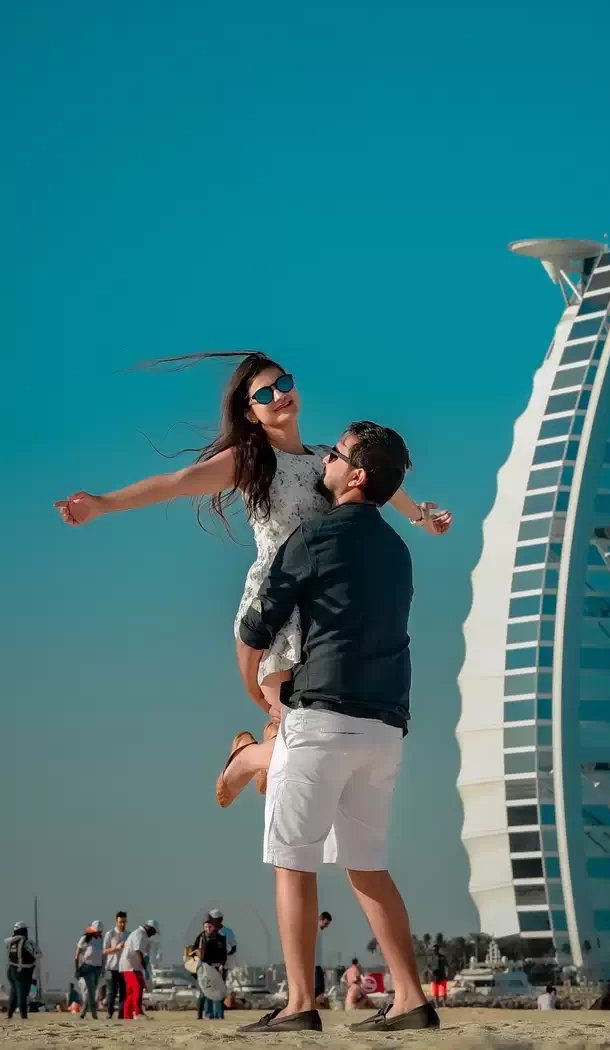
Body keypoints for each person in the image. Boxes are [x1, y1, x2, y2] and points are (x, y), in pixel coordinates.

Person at [54, 356, 453, 810]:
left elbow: (377, 479)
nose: (279, 395)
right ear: (250, 412)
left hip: (322, 603)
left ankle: (257, 751)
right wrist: (102, 504)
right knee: (298, 728)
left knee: (305, 722)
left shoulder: (327, 457)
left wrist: (421, 517)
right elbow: (179, 482)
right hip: (277, 599)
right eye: (264, 393)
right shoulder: (250, 460)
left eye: (283, 383)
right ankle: (248, 759)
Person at [233, 422, 441, 1034]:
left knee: (293, 859)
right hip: (386, 726)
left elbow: (259, 622)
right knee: (367, 863)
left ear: (354, 476)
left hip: (322, 718)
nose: (325, 455)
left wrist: (254, 690)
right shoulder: (399, 550)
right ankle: (410, 998)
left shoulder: (316, 534)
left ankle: (299, 1004)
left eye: (338, 452)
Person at [192, 914, 230, 1019]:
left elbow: (224, 954)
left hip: (217, 968)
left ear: (214, 927)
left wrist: (222, 964)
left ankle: (219, 1015)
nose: (208, 929)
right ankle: (204, 1015)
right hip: (204, 968)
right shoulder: (200, 937)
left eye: (210, 927)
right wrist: (197, 960)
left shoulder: (221, 938)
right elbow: (193, 952)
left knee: (218, 992)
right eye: (206, 927)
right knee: (204, 993)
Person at [120, 918, 158, 1019]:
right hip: (129, 966)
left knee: (131, 991)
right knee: (137, 987)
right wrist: (144, 968)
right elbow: (138, 951)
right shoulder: (139, 934)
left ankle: (127, 1015)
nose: (153, 934)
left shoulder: (143, 935)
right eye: (154, 932)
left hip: (134, 966)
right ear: (150, 928)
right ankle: (138, 1012)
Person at [5, 922, 38, 1020]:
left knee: (13, 992)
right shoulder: (27, 942)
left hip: (11, 971)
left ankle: (9, 1014)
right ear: (24, 931)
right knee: (22, 994)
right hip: (22, 972)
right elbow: (38, 954)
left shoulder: (10, 942)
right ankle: (24, 1015)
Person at [75, 921, 105, 1019]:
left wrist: (103, 968)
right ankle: (94, 1014)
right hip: (87, 968)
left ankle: (83, 1012)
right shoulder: (85, 939)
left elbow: (102, 955)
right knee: (91, 992)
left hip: (98, 969)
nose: (99, 933)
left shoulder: (101, 940)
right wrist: (77, 969)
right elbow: (77, 956)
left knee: (91, 992)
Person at [102, 912, 130, 1018]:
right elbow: (104, 951)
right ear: (116, 921)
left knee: (123, 993)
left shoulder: (129, 935)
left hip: (124, 968)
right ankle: (110, 1012)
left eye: (124, 922)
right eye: (120, 922)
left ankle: (121, 1014)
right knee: (112, 992)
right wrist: (116, 948)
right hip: (111, 967)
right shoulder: (110, 934)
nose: (122, 924)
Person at [314, 910, 333, 1007]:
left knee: (320, 987)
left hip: (318, 963)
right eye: (326, 923)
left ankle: (315, 1003)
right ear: (320, 920)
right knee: (319, 986)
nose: (327, 926)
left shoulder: (319, 932)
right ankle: (311, 1002)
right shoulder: (314, 930)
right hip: (313, 963)